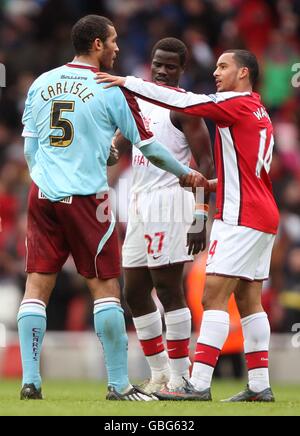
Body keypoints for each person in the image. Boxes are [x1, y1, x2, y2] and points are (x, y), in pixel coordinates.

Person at [19, 15, 204, 402]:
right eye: (114, 41)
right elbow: (151, 148)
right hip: (88, 200)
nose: (119, 47)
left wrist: (50, 180)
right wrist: (187, 174)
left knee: (35, 289)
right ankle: (119, 385)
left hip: (43, 197)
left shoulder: (41, 83)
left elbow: (31, 149)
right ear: (98, 45)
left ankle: (31, 381)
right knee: (106, 290)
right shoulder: (109, 88)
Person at [97, 49, 280, 402]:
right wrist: (213, 186)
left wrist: (128, 82)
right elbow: (247, 168)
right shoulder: (258, 109)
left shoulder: (235, 103)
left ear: (243, 73)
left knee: (212, 296)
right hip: (260, 211)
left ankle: (196, 383)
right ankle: (259, 386)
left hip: (240, 216)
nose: (216, 72)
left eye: (223, 67)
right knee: (249, 299)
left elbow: (188, 104)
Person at [111, 38, 213, 394]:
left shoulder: (185, 107)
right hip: (141, 202)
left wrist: (200, 216)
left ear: (182, 69)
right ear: (150, 64)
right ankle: (157, 375)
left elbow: (207, 165)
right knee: (135, 292)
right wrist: (104, 150)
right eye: (158, 64)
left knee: (169, 289)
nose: (162, 71)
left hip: (172, 203)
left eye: (171, 66)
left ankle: (180, 377)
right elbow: (121, 144)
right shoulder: (138, 100)